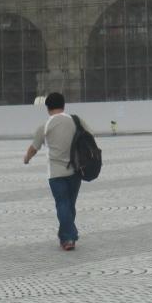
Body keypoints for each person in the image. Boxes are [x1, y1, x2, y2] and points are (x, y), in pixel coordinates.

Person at [24, 92, 89, 251]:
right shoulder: (76, 120)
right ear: (64, 105)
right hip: (76, 170)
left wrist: (26, 158)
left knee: (62, 204)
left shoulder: (45, 126)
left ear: (47, 108)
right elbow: (90, 136)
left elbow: (34, 148)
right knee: (70, 205)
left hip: (56, 174)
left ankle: (69, 237)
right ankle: (65, 237)